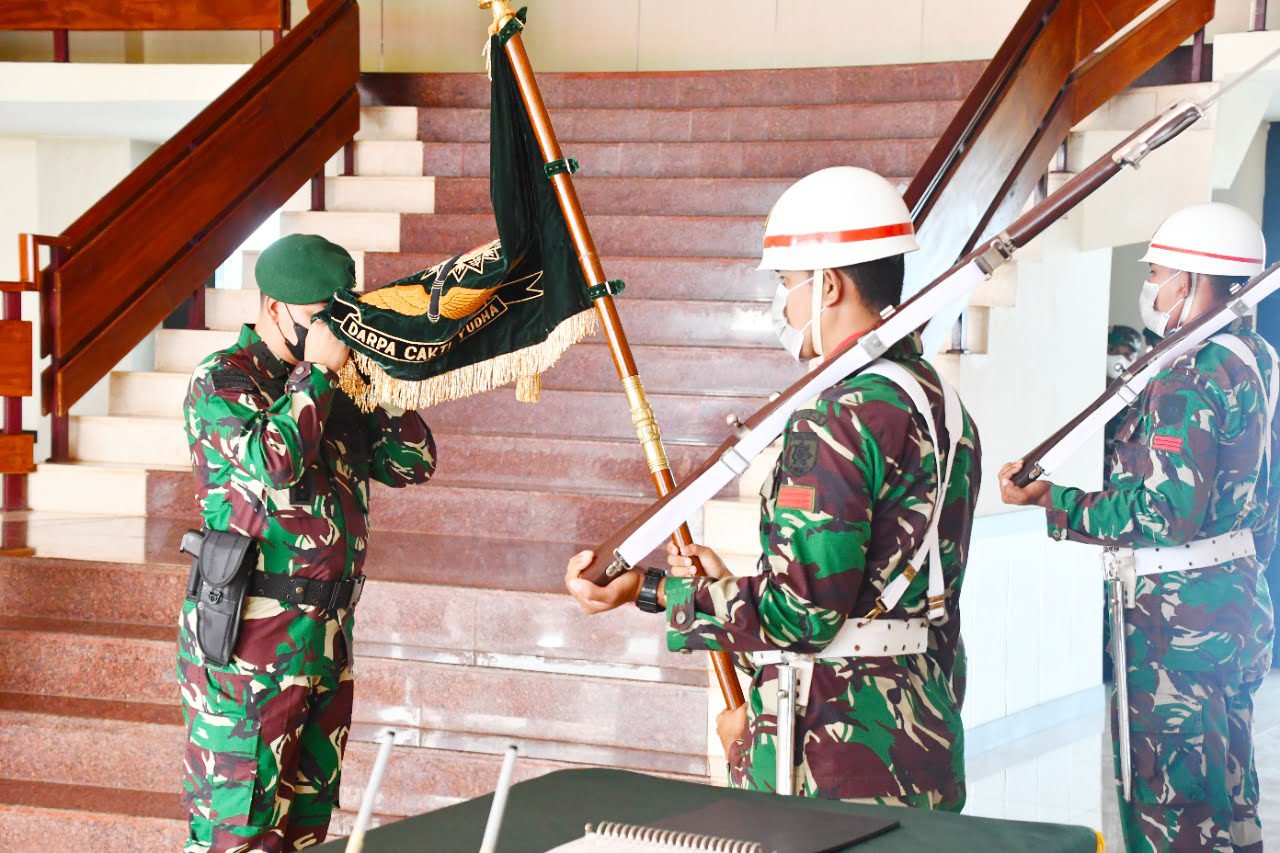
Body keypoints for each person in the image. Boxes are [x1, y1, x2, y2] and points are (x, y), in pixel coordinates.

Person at [565, 167, 982, 809]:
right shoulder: (938, 401)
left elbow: (806, 613)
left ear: (830, 285)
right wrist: (726, 580)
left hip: (837, 752)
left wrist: (651, 589)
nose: (782, 305)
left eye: (787, 283)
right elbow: (881, 582)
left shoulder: (838, 415)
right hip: (922, 730)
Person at [1000, 202, 1277, 852]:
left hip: (1176, 625)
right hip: (1232, 600)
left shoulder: (1191, 372)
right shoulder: (1255, 357)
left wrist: (1053, 499)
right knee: (1229, 800)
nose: (1150, 288)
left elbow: (1164, 511)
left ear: (1194, 278)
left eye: (1158, 273)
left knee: (1172, 810)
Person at [177, 233, 437, 851]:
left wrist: (381, 378)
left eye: (344, 320)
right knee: (237, 832)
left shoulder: (337, 385)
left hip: (324, 635)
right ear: (275, 310)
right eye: (324, 320)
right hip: (252, 640)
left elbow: (413, 462)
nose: (338, 335)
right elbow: (273, 464)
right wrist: (315, 371)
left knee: (304, 829)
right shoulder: (224, 380)